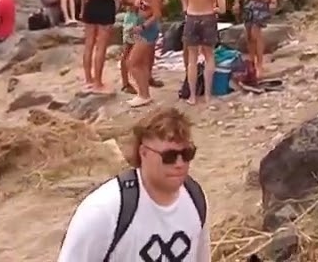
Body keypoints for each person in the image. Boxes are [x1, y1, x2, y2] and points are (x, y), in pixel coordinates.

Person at [56, 107, 210, 261]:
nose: (180, 164)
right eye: (169, 156)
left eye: (187, 154)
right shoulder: (103, 211)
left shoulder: (195, 199)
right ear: (143, 153)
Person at [179, 0, 224, 106]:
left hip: (192, 16)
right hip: (208, 17)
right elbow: (223, 8)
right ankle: (207, 96)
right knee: (209, 56)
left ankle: (192, 96)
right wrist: (214, 8)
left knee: (192, 58)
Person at [81, 0, 121, 93]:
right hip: (106, 4)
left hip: (92, 4)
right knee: (101, 46)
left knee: (89, 44)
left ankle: (88, 79)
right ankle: (98, 81)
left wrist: (82, 10)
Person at [123, 0, 161, 108]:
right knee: (141, 63)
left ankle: (143, 94)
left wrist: (142, 26)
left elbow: (157, 14)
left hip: (147, 30)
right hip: (142, 27)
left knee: (132, 62)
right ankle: (144, 94)